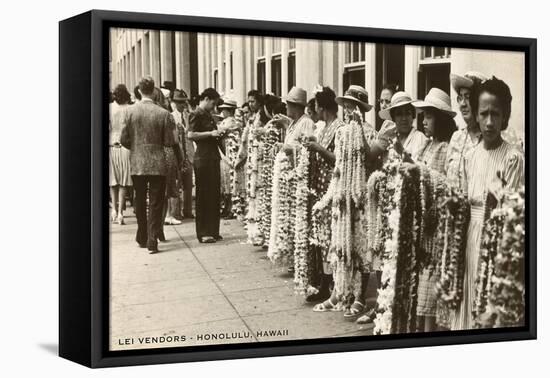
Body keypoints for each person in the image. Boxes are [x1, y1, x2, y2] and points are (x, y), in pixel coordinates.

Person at [451, 76, 524, 330]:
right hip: (469, 239)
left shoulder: (513, 158)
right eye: (484, 114)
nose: (490, 121)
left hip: (497, 242)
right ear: (476, 115)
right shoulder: (470, 156)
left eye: (496, 114)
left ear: (505, 116)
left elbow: (508, 213)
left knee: (490, 310)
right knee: (467, 307)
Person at [411, 88, 457, 332]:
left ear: (441, 119)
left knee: (432, 286)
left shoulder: (447, 148)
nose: (424, 121)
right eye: (423, 116)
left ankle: (430, 333)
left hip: (438, 227)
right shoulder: (427, 146)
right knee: (422, 284)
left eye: (429, 116)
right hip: (423, 225)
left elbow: (446, 185)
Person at [120, 76, 177, 254]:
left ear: (139, 90)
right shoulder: (163, 113)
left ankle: (142, 235)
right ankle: (152, 239)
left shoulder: (130, 112)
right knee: (156, 202)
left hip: (137, 162)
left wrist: (137, 147)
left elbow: (123, 139)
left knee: (138, 199)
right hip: (157, 163)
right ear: (153, 91)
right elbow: (169, 141)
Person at [302, 87, 345, 303]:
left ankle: (333, 283)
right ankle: (324, 281)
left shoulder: (339, 128)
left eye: (316, 105)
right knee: (320, 237)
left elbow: (339, 159)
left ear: (322, 107)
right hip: (319, 188)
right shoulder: (325, 127)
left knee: (330, 237)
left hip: (331, 187)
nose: (315, 110)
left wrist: (318, 149)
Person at [188, 88, 224, 243]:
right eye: (213, 103)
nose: (214, 107)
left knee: (214, 195)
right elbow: (191, 134)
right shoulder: (196, 114)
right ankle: (203, 232)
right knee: (203, 195)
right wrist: (210, 134)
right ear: (207, 99)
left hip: (212, 157)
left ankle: (213, 230)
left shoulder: (208, 114)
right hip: (203, 158)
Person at [446, 71, 488, 188]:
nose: (462, 104)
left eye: (468, 97)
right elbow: (446, 179)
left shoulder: (490, 140)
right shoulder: (456, 137)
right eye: (460, 98)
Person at [109, 84, 133, 225]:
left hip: (111, 144)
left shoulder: (110, 108)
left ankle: (113, 210)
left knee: (113, 180)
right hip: (125, 146)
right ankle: (120, 213)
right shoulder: (129, 109)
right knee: (124, 181)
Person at [379, 91, 428, 158]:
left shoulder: (420, 139)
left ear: (413, 116)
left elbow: (420, 167)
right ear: (393, 118)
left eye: (407, 113)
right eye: (399, 114)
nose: (404, 118)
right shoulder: (390, 139)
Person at [171, 89, 194, 220]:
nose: (182, 105)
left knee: (188, 184)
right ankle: (176, 212)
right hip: (177, 153)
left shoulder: (188, 116)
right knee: (177, 183)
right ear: (174, 103)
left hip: (189, 152)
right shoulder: (171, 116)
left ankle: (188, 210)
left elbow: (190, 133)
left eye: (183, 102)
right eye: (179, 102)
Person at [217, 98, 241, 219]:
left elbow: (221, 131)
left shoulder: (231, 121)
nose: (222, 112)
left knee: (229, 180)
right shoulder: (226, 121)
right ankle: (226, 207)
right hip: (224, 152)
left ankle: (230, 208)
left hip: (230, 153)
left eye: (224, 110)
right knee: (225, 180)